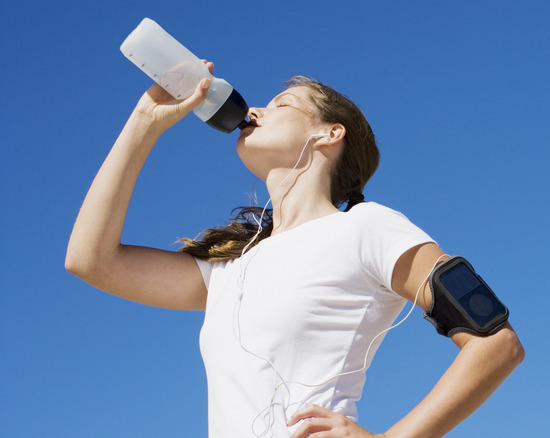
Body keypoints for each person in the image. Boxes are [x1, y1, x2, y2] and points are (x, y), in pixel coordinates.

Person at [65, 61, 524, 438]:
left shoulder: (367, 227)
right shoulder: (229, 271)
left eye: (281, 104)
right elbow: (91, 260)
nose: (256, 111)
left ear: (329, 134)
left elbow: (495, 342)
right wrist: (144, 121)